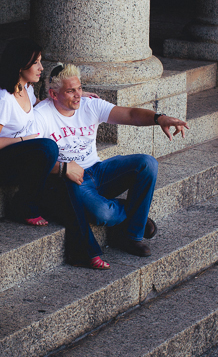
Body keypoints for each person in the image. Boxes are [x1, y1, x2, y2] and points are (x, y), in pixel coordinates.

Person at [35, 63, 189, 269]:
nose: (78, 95)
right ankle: (135, 219)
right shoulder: (41, 115)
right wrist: (62, 169)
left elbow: (131, 115)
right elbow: (36, 158)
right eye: (70, 91)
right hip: (73, 181)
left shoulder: (89, 105)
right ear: (54, 94)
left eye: (79, 88)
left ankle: (133, 236)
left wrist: (159, 118)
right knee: (104, 214)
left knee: (147, 163)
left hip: (99, 171)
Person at [0, 38, 59, 226]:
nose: (41, 67)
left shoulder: (26, 88)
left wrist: (73, 96)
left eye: (40, 61)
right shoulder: (2, 100)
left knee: (49, 155)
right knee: (47, 149)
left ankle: (40, 201)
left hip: (9, 154)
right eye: (36, 62)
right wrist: (25, 139)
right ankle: (23, 206)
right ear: (19, 65)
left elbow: (38, 106)